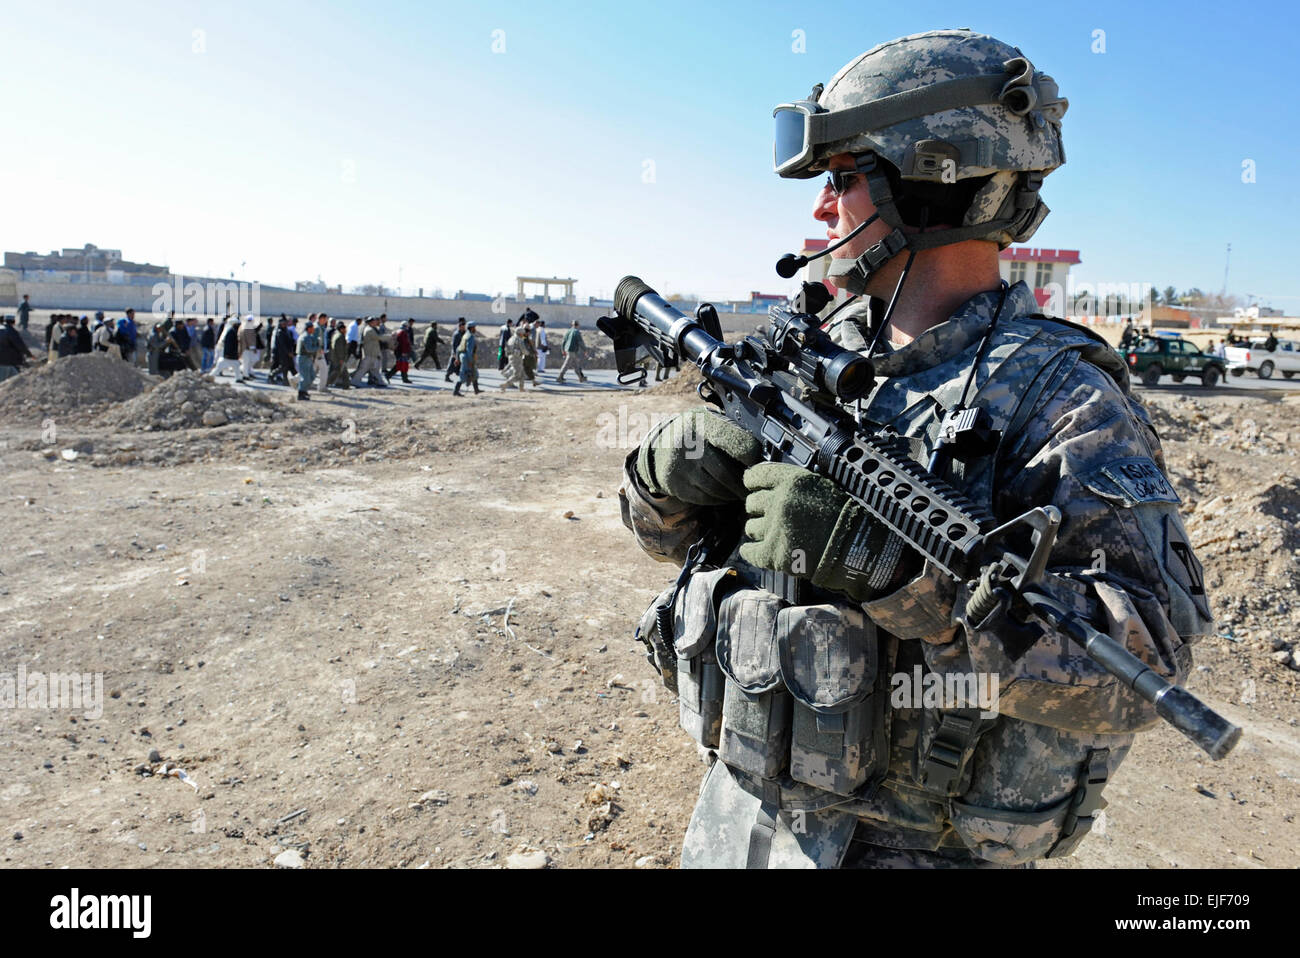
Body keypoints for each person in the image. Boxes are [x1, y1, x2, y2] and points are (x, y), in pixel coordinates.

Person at [617, 28, 1212, 869]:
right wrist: (661, 481)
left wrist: (904, 578)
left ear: (927, 182)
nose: (823, 208)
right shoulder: (809, 353)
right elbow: (665, 542)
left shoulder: (1066, 398)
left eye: (844, 178)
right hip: (741, 816)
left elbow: (1146, 669)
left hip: (916, 846)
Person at [351, 316, 388, 387]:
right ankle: (354, 381)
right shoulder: (369, 330)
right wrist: (389, 337)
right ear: (371, 322)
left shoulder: (371, 329)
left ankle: (380, 382)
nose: (376, 322)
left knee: (374, 369)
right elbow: (378, 337)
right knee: (363, 369)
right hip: (369, 353)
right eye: (374, 321)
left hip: (372, 353)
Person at [295, 318, 323, 400]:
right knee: (305, 377)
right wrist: (318, 348)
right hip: (304, 358)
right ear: (309, 328)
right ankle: (301, 393)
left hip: (307, 358)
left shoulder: (307, 336)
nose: (314, 329)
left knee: (312, 376)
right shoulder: (306, 337)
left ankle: (304, 391)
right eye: (312, 328)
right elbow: (309, 349)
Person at [0, 315, 33, 381]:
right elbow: (20, 345)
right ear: (13, 322)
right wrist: (29, 354)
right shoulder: (11, 331)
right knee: (8, 380)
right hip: (8, 361)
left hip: (3, 361)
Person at [555, 320, 589, 384]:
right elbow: (580, 343)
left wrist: (563, 350)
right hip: (572, 350)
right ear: (578, 325)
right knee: (567, 364)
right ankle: (560, 376)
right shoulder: (576, 332)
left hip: (567, 350)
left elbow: (564, 341)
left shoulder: (569, 331)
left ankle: (581, 377)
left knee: (576, 365)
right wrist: (585, 350)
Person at [454, 320, 481, 395]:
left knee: (474, 373)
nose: (475, 329)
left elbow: (458, 348)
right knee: (464, 375)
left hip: (464, 356)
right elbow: (469, 350)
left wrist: (457, 358)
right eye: (474, 327)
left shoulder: (465, 335)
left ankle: (476, 390)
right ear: (471, 328)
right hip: (467, 358)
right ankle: (455, 391)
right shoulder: (470, 337)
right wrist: (470, 361)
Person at [328, 318, 352, 389]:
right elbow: (340, 349)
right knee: (337, 372)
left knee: (343, 372)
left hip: (336, 358)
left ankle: (346, 385)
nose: (346, 331)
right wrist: (341, 359)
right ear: (341, 329)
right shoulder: (340, 337)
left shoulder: (336, 335)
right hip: (338, 359)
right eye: (344, 329)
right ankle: (327, 382)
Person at [388, 319, 414, 383]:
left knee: (403, 365)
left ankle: (405, 378)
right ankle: (388, 375)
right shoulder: (402, 332)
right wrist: (404, 352)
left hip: (399, 351)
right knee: (400, 365)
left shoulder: (398, 331)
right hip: (402, 352)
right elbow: (403, 343)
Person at [239, 315, 261, 381]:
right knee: (246, 362)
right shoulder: (246, 328)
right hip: (246, 349)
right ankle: (245, 375)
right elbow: (249, 340)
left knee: (252, 360)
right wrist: (253, 348)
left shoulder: (249, 327)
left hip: (249, 349)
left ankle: (246, 372)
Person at [445, 318, 467, 382]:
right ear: (460, 327)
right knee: (452, 364)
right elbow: (454, 344)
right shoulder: (456, 334)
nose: (463, 328)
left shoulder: (464, 333)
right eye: (462, 327)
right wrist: (454, 353)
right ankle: (447, 376)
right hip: (456, 352)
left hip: (461, 351)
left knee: (460, 365)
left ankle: (460, 376)